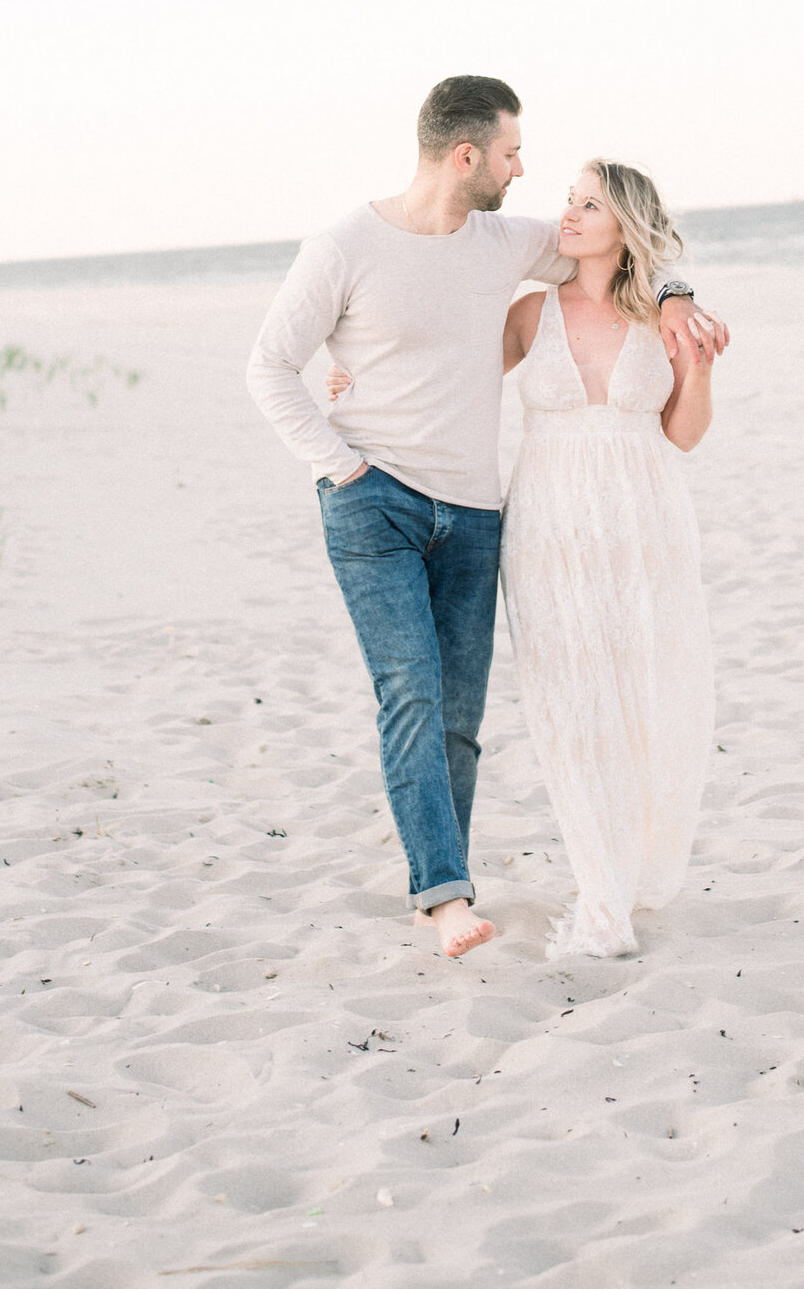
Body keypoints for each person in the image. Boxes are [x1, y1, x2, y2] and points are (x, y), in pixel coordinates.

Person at [245, 76, 725, 960]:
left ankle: (454, 873)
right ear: (468, 155)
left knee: (460, 714)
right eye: (511, 153)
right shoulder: (345, 245)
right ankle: (442, 896)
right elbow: (276, 366)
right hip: (376, 498)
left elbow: (631, 241)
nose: (526, 173)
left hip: (476, 511)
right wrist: (342, 457)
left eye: (535, 166)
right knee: (413, 694)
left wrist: (679, 294)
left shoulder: (506, 242)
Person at [499, 160, 715, 958]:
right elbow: (449, 382)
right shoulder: (531, 312)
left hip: (644, 522)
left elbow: (684, 433)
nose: (569, 214)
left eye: (589, 204)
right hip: (549, 526)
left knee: (643, 693)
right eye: (568, 200)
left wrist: (696, 368)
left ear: (624, 224)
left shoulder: (662, 318)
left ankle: (628, 872)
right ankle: (601, 899)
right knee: (571, 701)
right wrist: (360, 375)